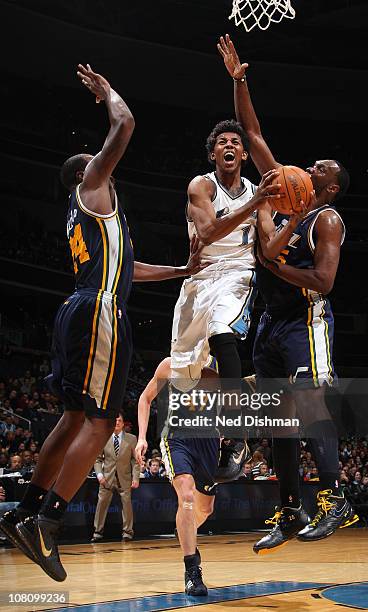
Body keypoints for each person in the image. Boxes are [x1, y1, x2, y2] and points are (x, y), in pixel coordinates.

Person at [0, 65, 205, 581]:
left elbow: (131, 268)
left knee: (71, 419)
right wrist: (109, 92)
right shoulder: (92, 184)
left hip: (79, 308)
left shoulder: (92, 219)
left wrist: (181, 269)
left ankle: (25, 511)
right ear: (85, 172)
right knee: (98, 420)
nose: (106, 167)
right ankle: (49, 522)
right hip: (100, 310)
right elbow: (126, 124)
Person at [218, 34, 357, 553]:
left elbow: (323, 282)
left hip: (306, 319)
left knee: (309, 401)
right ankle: (289, 508)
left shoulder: (327, 218)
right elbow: (252, 131)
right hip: (269, 324)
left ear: (330, 186)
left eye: (321, 167)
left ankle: (335, 498)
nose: (311, 166)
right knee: (278, 421)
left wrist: (275, 267)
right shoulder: (286, 194)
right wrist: (239, 80)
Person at [170, 119, 281, 396]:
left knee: (222, 328)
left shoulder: (259, 194)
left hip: (238, 271)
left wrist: (293, 222)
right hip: (200, 275)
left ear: (244, 154)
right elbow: (207, 233)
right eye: (222, 142)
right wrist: (252, 206)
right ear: (213, 154)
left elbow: (268, 244)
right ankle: (223, 403)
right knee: (184, 373)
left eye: (235, 142)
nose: (228, 145)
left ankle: (234, 412)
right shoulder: (201, 186)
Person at [136, 356, 250, 597]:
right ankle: (192, 570)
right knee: (186, 495)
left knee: (204, 509)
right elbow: (145, 399)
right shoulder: (170, 364)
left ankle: (184, 528)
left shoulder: (220, 367)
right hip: (176, 438)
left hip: (208, 440)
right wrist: (142, 438)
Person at [92, 413, 140, 542]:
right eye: (115, 420)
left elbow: (135, 461)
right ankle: (97, 532)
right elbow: (97, 459)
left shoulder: (132, 439)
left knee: (127, 505)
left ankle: (127, 533)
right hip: (106, 478)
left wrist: (136, 478)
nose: (117, 422)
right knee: (101, 504)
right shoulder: (104, 437)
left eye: (119, 421)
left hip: (125, 478)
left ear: (123, 424)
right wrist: (100, 475)